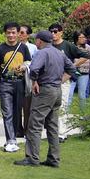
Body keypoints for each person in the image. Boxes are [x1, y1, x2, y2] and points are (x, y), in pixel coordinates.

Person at [14, 30, 76, 168]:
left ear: (40, 41)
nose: (35, 41)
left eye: (36, 39)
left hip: (45, 91)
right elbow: (72, 69)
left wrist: (35, 82)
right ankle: (54, 159)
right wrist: (60, 81)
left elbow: (34, 69)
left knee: (34, 124)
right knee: (52, 126)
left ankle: (32, 158)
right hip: (57, 91)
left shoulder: (41, 53)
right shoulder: (59, 53)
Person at [0, 22, 31, 153]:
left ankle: (13, 137)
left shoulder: (23, 48)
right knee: (7, 112)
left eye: (13, 32)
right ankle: (10, 140)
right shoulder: (0, 48)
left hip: (20, 83)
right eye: (8, 32)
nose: (11, 35)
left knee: (16, 112)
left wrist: (24, 66)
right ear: (5, 33)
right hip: (5, 83)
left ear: (18, 33)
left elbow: (28, 61)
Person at [71, 31, 90, 113]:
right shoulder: (71, 46)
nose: (84, 39)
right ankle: (65, 114)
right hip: (72, 73)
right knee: (69, 93)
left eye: (84, 37)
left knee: (82, 95)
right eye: (81, 37)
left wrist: (89, 65)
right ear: (76, 38)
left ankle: (83, 113)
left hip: (84, 74)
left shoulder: (87, 47)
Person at [18, 25, 36, 135]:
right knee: (16, 105)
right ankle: (18, 130)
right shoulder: (14, 46)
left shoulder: (33, 48)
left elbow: (36, 63)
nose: (19, 34)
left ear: (28, 35)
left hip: (28, 79)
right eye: (18, 32)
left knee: (27, 105)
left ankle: (27, 129)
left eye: (22, 32)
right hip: (16, 79)